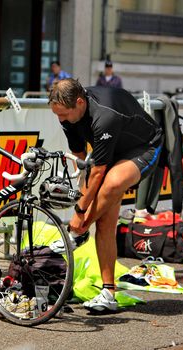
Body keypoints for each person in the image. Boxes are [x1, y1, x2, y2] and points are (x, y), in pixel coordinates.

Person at [48, 78, 163, 312]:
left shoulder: (105, 115)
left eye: (64, 115)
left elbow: (100, 172)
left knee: (111, 185)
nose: (61, 120)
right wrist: (81, 201)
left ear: (79, 102)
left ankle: (77, 233)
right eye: (57, 115)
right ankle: (108, 293)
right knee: (104, 223)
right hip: (111, 153)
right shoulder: (68, 113)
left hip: (144, 147)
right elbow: (83, 165)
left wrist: (79, 215)